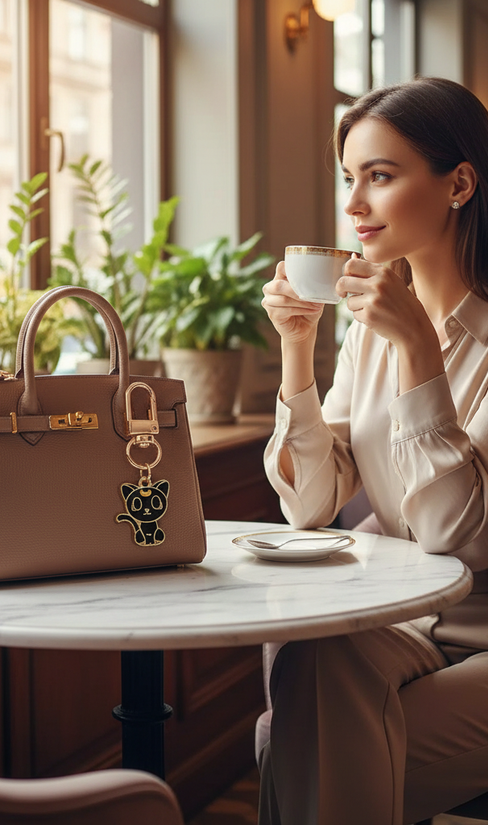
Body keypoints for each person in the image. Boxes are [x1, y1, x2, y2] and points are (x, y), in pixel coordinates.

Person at [259, 76, 488, 825]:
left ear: (459, 183)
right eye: (348, 179)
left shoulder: (418, 335)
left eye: (379, 177)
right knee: (313, 654)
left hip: (478, 633)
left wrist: (421, 347)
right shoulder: (367, 333)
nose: (352, 204)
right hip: (407, 625)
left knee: (291, 744)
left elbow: (457, 535)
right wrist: (299, 349)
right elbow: (313, 505)